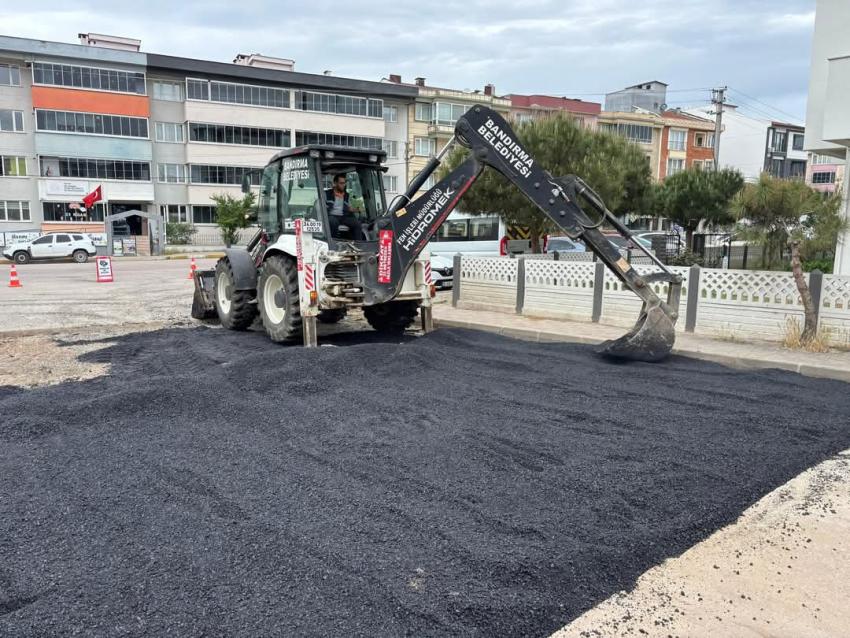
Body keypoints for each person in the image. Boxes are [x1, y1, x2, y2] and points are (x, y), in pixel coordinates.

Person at [325, 173, 363, 240]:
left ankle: (358, 244)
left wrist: (357, 209)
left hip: (343, 217)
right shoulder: (327, 193)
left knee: (357, 224)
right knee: (333, 222)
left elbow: (349, 208)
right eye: (341, 183)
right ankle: (334, 242)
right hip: (331, 216)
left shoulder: (346, 195)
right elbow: (322, 206)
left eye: (344, 183)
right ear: (335, 183)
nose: (343, 185)